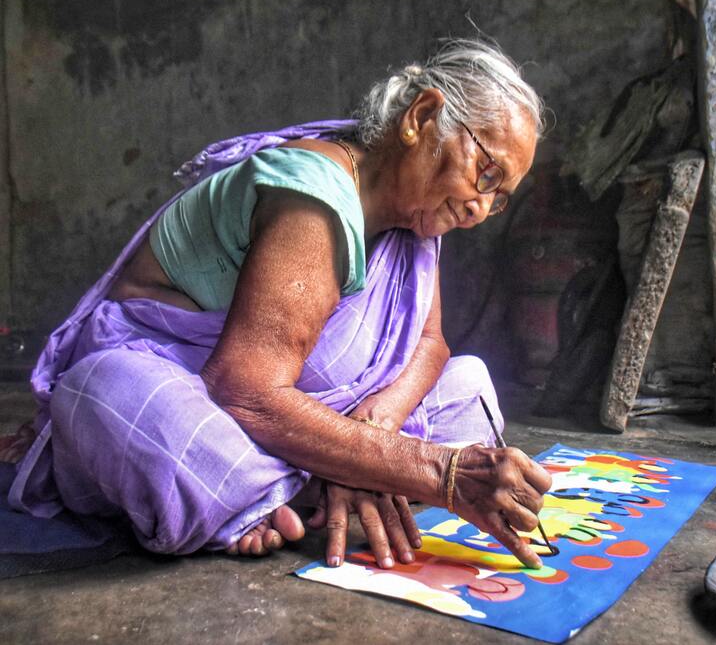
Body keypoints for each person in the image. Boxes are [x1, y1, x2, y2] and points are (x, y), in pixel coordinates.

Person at [8, 39, 552, 570]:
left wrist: (376, 431)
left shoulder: (417, 217)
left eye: (500, 197)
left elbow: (430, 344)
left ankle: (283, 488)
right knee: (113, 397)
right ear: (422, 117)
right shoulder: (314, 194)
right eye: (486, 173)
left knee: (470, 384)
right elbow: (246, 391)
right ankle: (318, 480)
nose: (482, 208)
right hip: (195, 384)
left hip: (295, 409)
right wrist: (433, 472)